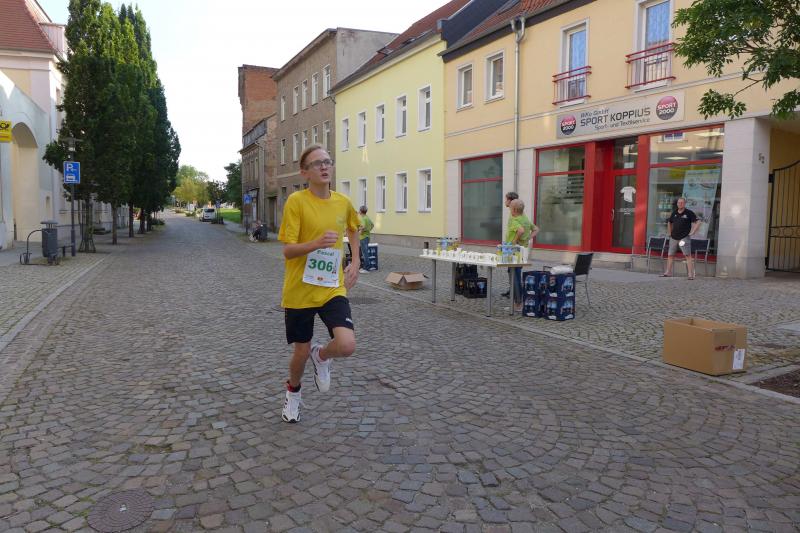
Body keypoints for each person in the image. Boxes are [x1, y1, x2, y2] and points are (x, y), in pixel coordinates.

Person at [277, 144, 360, 423]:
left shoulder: (343, 202)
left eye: (327, 161)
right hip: (300, 290)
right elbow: (288, 251)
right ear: (305, 172)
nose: (324, 166)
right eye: (316, 163)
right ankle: (293, 392)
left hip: (331, 287)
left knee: (347, 345)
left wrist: (355, 261)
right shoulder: (296, 202)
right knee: (300, 352)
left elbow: (354, 228)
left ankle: (322, 356)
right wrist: (315, 244)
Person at [506, 199, 538, 311]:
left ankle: (518, 303)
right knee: (516, 274)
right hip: (522, 252)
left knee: (514, 276)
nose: (510, 210)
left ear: (514, 209)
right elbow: (536, 229)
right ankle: (518, 302)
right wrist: (528, 238)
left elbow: (520, 230)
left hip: (513, 252)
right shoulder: (525, 219)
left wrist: (514, 242)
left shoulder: (515, 220)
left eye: (510, 208)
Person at [662, 197, 700, 279]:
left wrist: (693, 232)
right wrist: (669, 233)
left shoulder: (689, 213)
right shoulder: (674, 212)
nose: (680, 204)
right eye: (679, 203)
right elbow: (669, 222)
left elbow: (698, 221)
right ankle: (668, 272)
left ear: (685, 204)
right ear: (677, 204)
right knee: (670, 255)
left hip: (684, 238)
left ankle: (690, 274)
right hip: (674, 238)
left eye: (682, 202)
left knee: (687, 255)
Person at [501, 191, 520, 298]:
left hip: (513, 248)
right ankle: (512, 290)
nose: (505, 201)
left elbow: (520, 230)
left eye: (506, 199)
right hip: (509, 247)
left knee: (515, 271)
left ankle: (517, 295)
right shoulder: (512, 213)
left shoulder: (515, 215)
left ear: (510, 201)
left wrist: (514, 242)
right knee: (511, 270)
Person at [357, 205, 374, 273]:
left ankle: (366, 268)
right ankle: (364, 266)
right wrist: (368, 230)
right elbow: (372, 225)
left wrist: (359, 232)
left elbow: (363, 227)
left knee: (364, 253)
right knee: (364, 252)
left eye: (359, 210)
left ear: (361, 211)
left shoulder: (363, 218)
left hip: (363, 237)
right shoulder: (367, 218)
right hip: (367, 237)